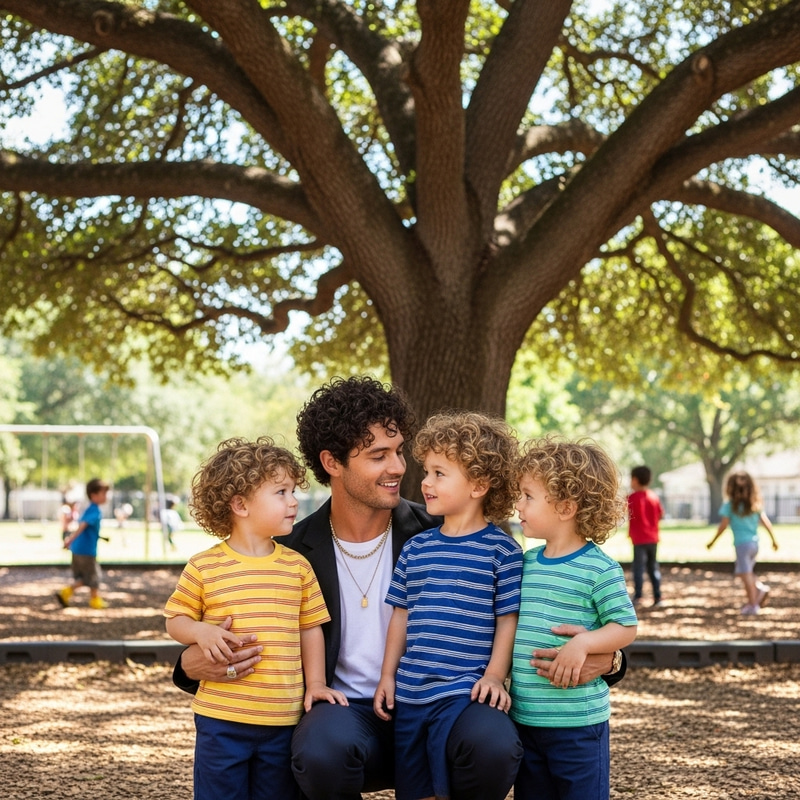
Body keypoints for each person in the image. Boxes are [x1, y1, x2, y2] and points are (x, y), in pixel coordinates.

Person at [173, 376, 626, 800]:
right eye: (378, 456)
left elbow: (544, 606)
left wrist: (609, 658)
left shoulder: (443, 533)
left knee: (494, 744)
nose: (398, 468)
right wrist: (189, 667)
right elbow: (224, 624)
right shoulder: (288, 552)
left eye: (399, 451)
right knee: (321, 749)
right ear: (332, 463)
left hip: (450, 707)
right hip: (345, 717)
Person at [164, 437, 347, 800]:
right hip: (221, 719)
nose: (293, 501)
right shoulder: (204, 566)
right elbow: (175, 620)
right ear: (240, 504)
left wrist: (315, 684)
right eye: (281, 492)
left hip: (283, 719)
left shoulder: (297, 567)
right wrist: (200, 632)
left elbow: (310, 628)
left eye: (293, 491)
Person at [373, 411, 523, 800]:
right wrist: (387, 675)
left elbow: (507, 620)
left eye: (440, 474)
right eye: (426, 472)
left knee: (457, 779)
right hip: (410, 693)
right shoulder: (416, 548)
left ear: (479, 485)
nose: (425, 482)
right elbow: (401, 615)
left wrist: (494, 676)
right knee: (417, 789)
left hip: (463, 692)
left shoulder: (502, 551)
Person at [510, 438, 638, 800]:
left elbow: (625, 627)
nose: (518, 504)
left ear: (566, 507)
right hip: (525, 719)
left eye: (528, 496)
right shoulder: (526, 563)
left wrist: (584, 643)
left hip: (578, 724)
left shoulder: (599, 569)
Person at [706, 470, 779, 615]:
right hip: (754, 545)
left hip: (742, 545)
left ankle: (753, 604)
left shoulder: (730, 506)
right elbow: (767, 524)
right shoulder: (755, 505)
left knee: (745, 575)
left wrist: (712, 542)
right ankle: (759, 589)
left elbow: (723, 526)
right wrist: (773, 540)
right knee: (744, 573)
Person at [55, 477, 111, 610]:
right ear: (94, 495)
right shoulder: (94, 510)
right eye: (103, 493)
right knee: (94, 575)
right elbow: (82, 526)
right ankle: (93, 599)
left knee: (86, 577)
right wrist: (70, 540)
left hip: (78, 549)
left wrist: (100, 537)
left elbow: (88, 529)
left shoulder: (89, 509)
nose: (106, 497)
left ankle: (67, 593)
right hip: (86, 550)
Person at [627, 465, 664, 608]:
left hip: (639, 539)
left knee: (638, 568)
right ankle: (657, 596)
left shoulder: (632, 498)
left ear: (635, 480)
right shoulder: (653, 497)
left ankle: (638, 596)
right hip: (653, 538)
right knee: (653, 567)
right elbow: (660, 514)